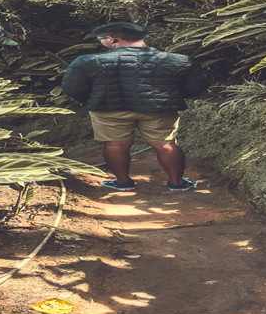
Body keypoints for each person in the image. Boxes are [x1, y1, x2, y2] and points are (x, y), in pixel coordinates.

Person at [61, 22, 209, 192]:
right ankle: (177, 183)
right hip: (159, 109)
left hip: (109, 110)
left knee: (115, 144)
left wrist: (94, 100)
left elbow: (72, 88)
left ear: (111, 39)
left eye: (101, 40)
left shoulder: (88, 61)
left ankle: (123, 183)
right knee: (165, 144)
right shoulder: (179, 60)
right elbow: (195, 87)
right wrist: (170, 97)